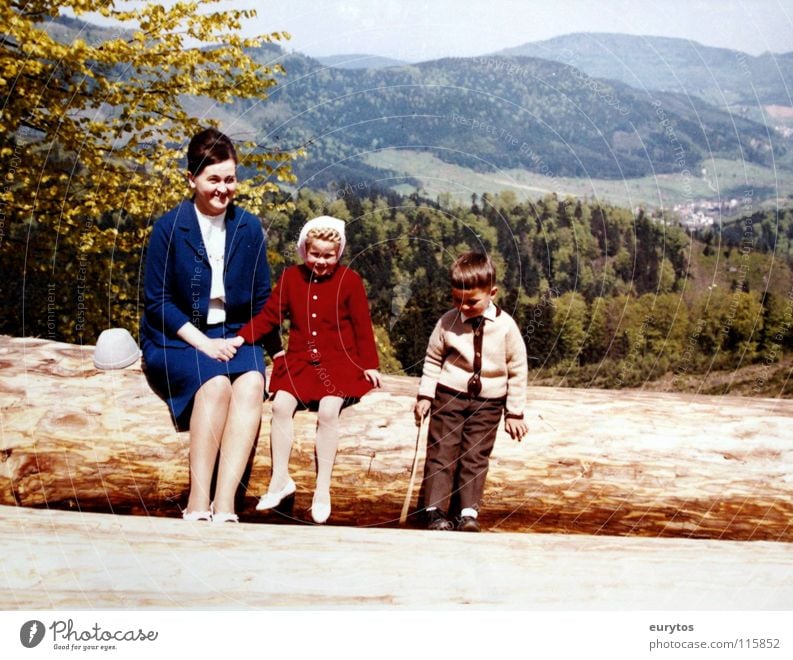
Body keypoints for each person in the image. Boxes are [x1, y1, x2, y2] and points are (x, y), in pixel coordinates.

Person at [141, 127, 281, 523]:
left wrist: (277, 350)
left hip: (235, 333)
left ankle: (226, 504)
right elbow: (158, 303)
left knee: (252, 384)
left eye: (230, 179)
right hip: (179, 337)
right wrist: (203, 343)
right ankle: (198, 502)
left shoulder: (248, 228)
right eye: (213, 179)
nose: (223, 188)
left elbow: (261, 299)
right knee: (216, 384)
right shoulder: (169, 228)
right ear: (192, 179)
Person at [234, 216, 381, 524]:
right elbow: (268, 318)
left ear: (338, 253)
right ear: (304, 250)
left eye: (329, 255)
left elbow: (362, 326)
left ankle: (322, 489)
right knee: (281, 406)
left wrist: (370, 365)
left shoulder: (350, 280)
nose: (321, 261)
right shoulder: (290, 278)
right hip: (300, 361)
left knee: (329, 410)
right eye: (315, 254)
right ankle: (280, 480)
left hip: (340, 362)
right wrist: (240, 338)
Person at [413, 251, 528, 532]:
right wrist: (426, 395)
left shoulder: (506, 327)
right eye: (456, 300)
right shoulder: (447, 323)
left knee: (475, 455)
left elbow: (518, 368)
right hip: (449, 395)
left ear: (492, 293)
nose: (463, 307)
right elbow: (432, 360)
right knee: (442, 450)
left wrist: (514, 412)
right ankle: (435, 510)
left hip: (489, 403)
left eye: (472, 301)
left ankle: (467, 511)